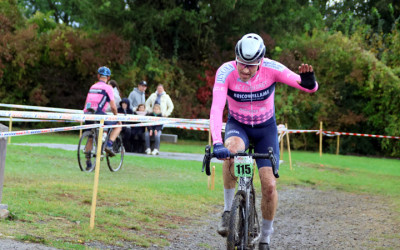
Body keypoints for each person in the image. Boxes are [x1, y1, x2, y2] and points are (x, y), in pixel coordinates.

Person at [209, 33, 318, 250]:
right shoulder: (225, 72)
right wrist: (217, 142)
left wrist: (310, 82)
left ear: (261, 61)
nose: (245, 70)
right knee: (230, 153)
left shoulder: (273, 68)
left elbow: (308, 87)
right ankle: (228, 211)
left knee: (269, 186)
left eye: (251, 65)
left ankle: (266, 237)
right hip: (237, 125)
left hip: (265, 129)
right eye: (241, 64)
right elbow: (216, 108)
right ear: (235, 58)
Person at [83, 66, 122, 169]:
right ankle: (109, 145)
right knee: (118, 126)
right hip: (99, 114)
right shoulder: (108, 88)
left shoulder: (93, 86)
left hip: (87, 113)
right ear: (108, 78)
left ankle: (88, 163)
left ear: (98, 76)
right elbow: (113, 106)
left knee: (91, 136)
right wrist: (116, 117)